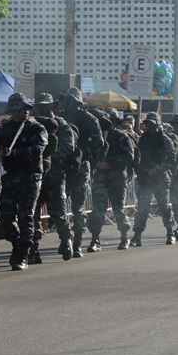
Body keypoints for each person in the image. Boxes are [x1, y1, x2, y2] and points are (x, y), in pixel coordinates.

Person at [0, 93, 48, 271]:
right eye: (17, 110)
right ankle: (17, 243)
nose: (21, 112)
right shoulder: (5, 129)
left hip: (30, 175)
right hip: (11, 175)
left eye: (23, 109)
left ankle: (24, 253)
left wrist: (14, 153)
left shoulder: (36, 127)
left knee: (26, 216)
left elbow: (38, 148)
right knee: (5, 217)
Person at [29, 92, 75, 263]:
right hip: (35, 174)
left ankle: (66, 240)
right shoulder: (32, 124)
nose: (42, 109)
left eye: (46, 106)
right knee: (33, 215)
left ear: (52, 106)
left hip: (55, 175)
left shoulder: (61, 124)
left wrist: (47, 155)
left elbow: (68, 147)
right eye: (40, 106)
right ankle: (34, 249)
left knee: (58, 213)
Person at [59, 87, 104, 258]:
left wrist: (83, 153)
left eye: (72, 100)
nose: (69, 104)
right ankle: (66, 238)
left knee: (78, 206)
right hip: (62, 164)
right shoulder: (61, 117)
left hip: (80, 166)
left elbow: (99, 142)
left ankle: (77, 243)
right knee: (59, 206)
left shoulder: (88, 118)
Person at [86, 108, 134, 251]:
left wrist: (110, 164)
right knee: (98, 209)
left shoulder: (121, 136)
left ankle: (124, 237)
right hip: (100, 176)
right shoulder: (98, 137)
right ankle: (95, 239)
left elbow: (129, 156)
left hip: (117, 177)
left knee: (118, 209)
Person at [129, 112, 178, 247]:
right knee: (143, 208)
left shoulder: (164, 139)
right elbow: (138, 155)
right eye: (147, 123)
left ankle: (170, 233)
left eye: (151, 123)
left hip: (160, 178)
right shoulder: (144, 138)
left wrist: (157, 169)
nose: (149, 126)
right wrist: (138, 168)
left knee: (164, 206)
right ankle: (137, 235)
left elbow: (172, 158)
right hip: (146, 178)